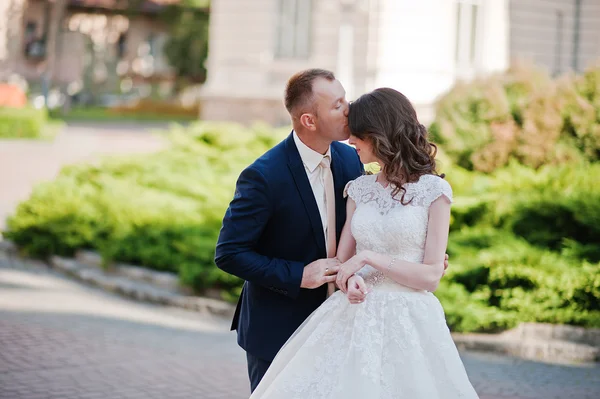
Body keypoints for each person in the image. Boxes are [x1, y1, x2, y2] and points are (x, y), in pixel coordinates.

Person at [248, 87, 479, 399]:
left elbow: (431, 277)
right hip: (351, 316)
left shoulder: (434, 192)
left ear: (380, 133)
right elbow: (342, 264)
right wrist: (350, 278)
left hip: (409, 321)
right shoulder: (359, 189)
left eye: (357, 134)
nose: (349, 140)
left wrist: (368, 257)